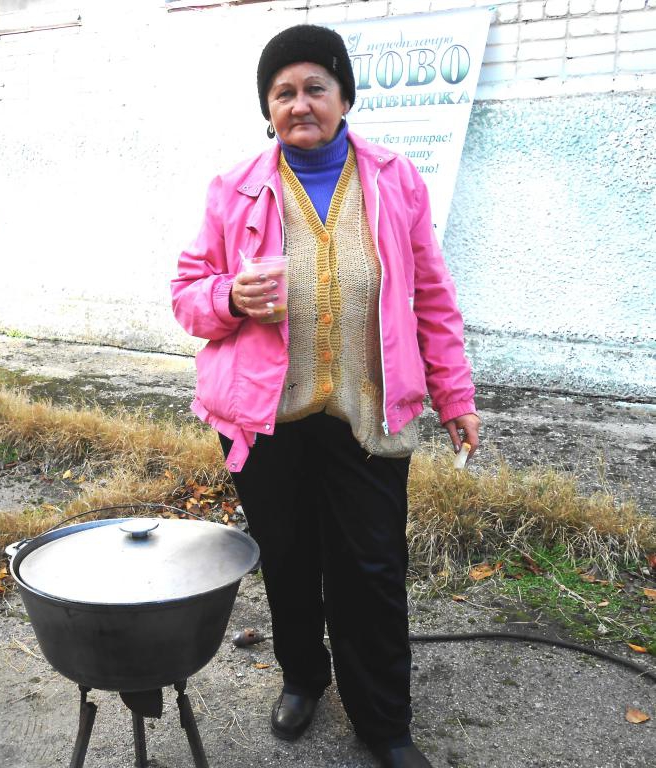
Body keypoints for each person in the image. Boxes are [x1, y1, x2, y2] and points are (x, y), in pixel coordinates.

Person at [171, 24, 480, 768]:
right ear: (267, 109)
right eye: (283, 93)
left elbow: (432, 296)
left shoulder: (395, 181)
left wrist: (455, 395)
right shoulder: (234, 189)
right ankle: (304, 678)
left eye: (316, 87)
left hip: (367, 415)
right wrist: (229, 297)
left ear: (344, 97)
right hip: (266, 418)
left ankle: (384, 722)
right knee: (287, 561)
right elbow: (186, 294)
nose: (299, 103)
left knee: (371, 570)